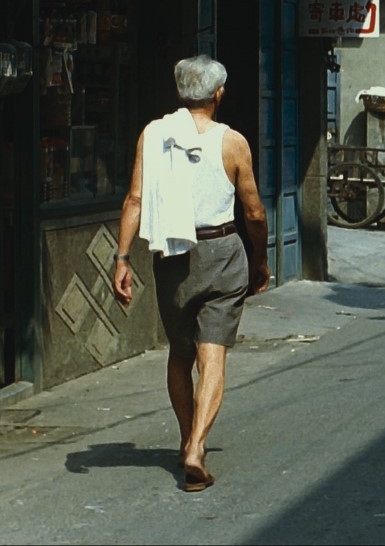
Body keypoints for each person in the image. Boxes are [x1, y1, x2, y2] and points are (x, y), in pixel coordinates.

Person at [111, 55, 269, 493]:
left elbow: (134, 200)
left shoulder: (155, 133)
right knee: (212, 353)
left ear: (181, 93)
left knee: (181, 354)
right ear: (219, 94)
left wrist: (121, 258)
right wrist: (260, 258)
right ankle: (197, 446)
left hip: (172, 256)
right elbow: (253, 212)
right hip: (222, 252)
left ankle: (186, 439)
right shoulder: (232, 141)